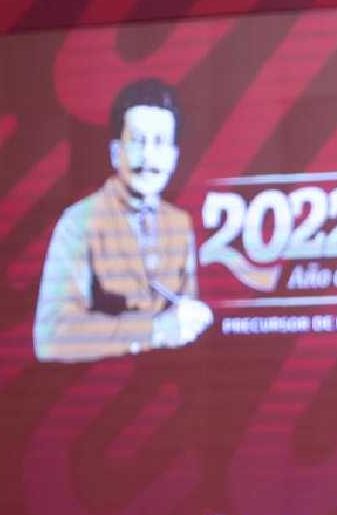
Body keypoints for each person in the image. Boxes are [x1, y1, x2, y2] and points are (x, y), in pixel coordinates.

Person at [34, 78, 213, 362]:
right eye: (138, 141)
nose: (149, 157)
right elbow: (51, 337)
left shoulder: (180, 225)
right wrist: (153, 331)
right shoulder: (79, 221)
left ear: (175, 157)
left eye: (161, 142)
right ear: (116, 152)